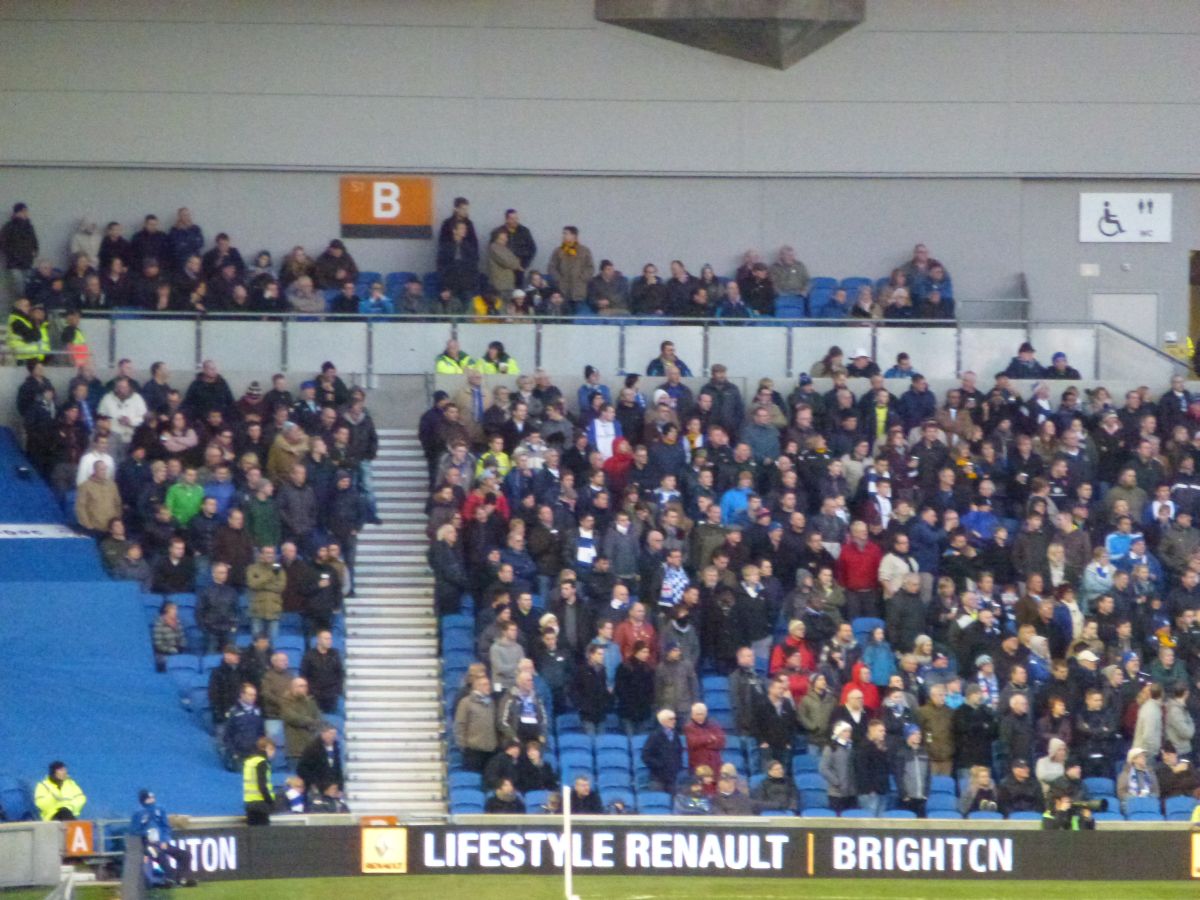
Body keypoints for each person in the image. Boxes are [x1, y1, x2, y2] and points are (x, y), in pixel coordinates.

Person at [129, 789, 195, 886]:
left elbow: (165, 826)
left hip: (161, 843)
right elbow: (133, 831)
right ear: (143, 800)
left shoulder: (160, 809)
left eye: (152, 798)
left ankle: (180, 878)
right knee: (160, 855)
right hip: (148, 845)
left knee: (185, 855)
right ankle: (169, 878)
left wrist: (164, 840)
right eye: (149, 798)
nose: (151, 800)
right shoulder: (138, 813)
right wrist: (146, 833)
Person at [547, 226, 595, 305]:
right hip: (563, 290)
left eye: (566, 233)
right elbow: (551, 267)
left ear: (574, 236)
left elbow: (590, 267)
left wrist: (582, 278)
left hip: (578, 290)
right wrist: (558, 279)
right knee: (565, 314)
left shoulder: (584, 251)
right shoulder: (558, 251)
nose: (563, 236)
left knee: (578, 314)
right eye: (563, 233)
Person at [642, 709, 684, 792]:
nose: (674, 721)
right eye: (671, 719)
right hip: (658, 778)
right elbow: (645, 756)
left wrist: (677, 765)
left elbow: (679, 751)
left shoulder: (675, 735)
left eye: (674, 719)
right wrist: (660, 765)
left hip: (672, 777)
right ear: (663, 721)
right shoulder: (654, 736)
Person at [243, 738, 277, 826]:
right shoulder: (262, 762)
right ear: (267, 748)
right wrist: (270, 801)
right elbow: (262, 785)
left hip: (249, 802)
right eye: (272, 750)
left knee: (252, 835)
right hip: (261, 804)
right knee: (263, 835)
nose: (273, 753)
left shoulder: (249, 762)